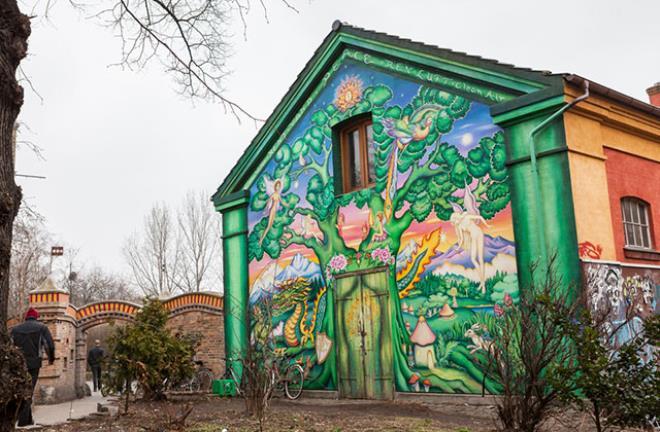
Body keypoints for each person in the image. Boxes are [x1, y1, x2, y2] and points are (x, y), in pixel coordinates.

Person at [10, 307, 55, 427]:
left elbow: (10, 345)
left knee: (24, 389)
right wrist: (51, 359)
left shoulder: (15, 329)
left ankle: (28, 419)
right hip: (34, 364)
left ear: (26, 317)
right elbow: (49, 345)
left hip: (18, 364)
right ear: (36, 317)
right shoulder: (42, 328)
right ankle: (23, 421)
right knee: (29, 390)